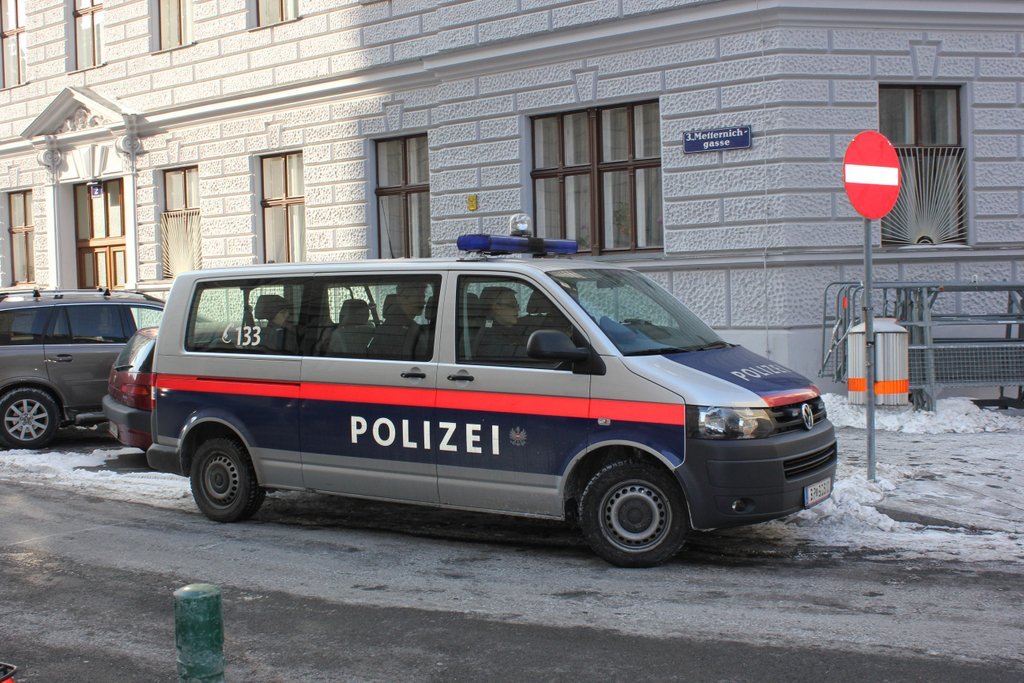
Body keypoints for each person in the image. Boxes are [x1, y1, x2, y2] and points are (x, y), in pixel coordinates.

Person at [367, 281, 427, 359]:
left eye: (423, 297)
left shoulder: (393, 326)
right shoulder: (397, 331)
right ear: (403, 298)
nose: (424, 302)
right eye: (419, 297)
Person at [473, 287, 527, 362]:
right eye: (512, 305)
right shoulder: (489, 338)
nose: (518, 309)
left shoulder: (506, 328)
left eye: (517, 305)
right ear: (496, 308)